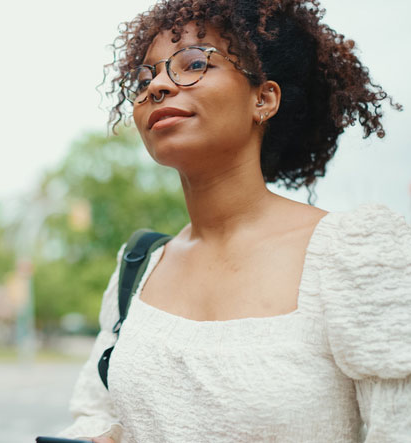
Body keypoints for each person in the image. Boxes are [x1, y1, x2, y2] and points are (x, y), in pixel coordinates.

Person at [57, 0, 410, 441]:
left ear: (263, 99)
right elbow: (94, 413)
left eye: (193, 63)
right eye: (145, 77)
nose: (158, 86)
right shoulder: (139, 265)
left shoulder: (356, 251)